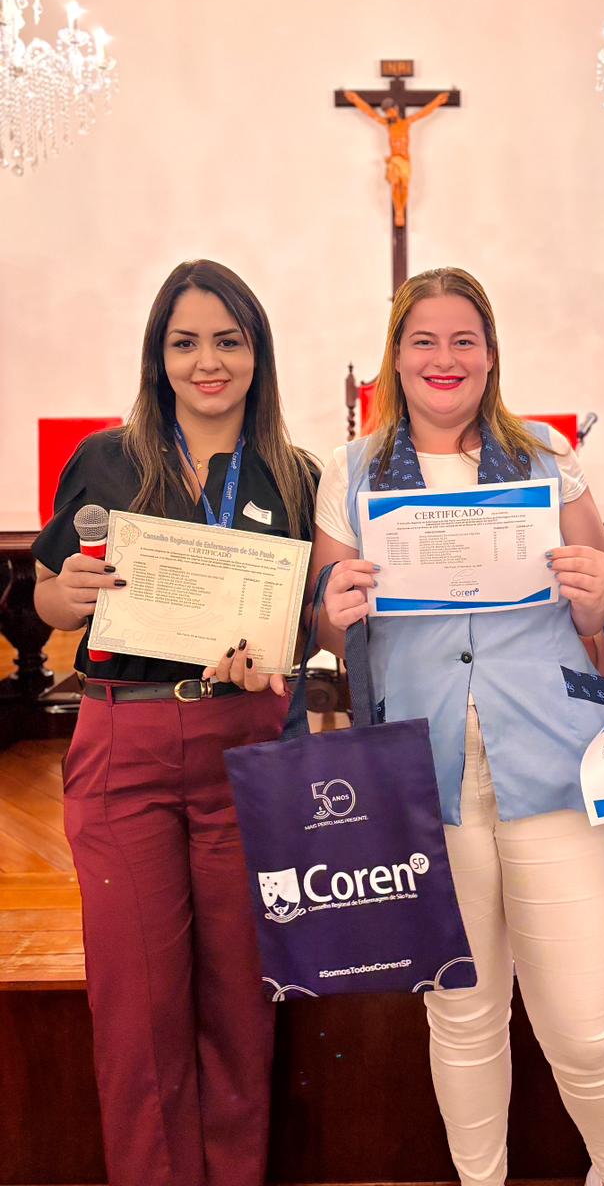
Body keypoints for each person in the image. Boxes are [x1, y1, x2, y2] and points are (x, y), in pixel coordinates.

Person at [311, 266, 604, 1186]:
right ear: (396, 355)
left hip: (551, 761)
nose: (445, 357)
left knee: (586, 1021)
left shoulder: (543, 454)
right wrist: (332, 606)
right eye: (424, 340)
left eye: (464, 339)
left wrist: (598, 587)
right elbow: (326, 628)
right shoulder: (352, 469)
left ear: (491, 354)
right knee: (462, 1012)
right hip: (419, 776)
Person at [32, 259, 319, 1186]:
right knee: (139, 1009)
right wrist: (69, 595)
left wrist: (293, 642)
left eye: (228, 341)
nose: (208, 362)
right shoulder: (107, 459)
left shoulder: (295, 474)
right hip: (128, 745)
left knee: (242, 1003)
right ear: (158, 356)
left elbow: (306, 625)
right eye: (185, 342)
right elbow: (45, 596)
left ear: (257, 353)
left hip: (248, 742)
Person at [342, 88, 450, 226]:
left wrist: (437, 102)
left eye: (390, 110)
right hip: (394, 160)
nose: (389, 113)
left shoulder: (406, 123)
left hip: (404, 160)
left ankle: (401, 209)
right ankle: (398, 211)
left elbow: (424, 113)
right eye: (386, 112)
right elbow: (369, 113)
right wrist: (356, 100)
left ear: (396, 109)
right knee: (394, 185)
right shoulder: (387, 124)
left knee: (404, 186)